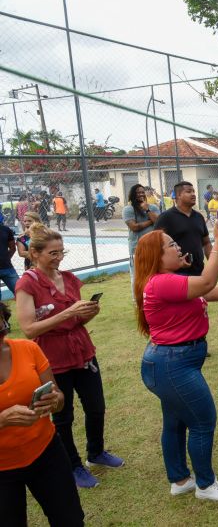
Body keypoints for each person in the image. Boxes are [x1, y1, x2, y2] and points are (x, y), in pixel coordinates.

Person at [134, 226, 218, 501]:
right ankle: (205, 484)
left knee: (175, 422)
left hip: (170, 363)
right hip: (172, 364)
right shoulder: (160, 282)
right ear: (156, 255)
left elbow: (206, 293)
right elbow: (206, 283)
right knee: (203, 420)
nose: (178, 247)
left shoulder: (167, 279)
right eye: (171, 245)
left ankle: (180, 480)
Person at [15, 224, 123, 489]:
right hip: (52, 356)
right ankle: (72, 465)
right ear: (35, 254)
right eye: (53, 253)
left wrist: (88, 312)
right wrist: (67, 313)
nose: (59, 258)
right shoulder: (27, 284)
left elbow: (78, 316)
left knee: (96, 406)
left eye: (62, 252)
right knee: (63, 414)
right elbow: (29, 329)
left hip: (82, 350)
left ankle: (95, 453)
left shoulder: (69, 278)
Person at [0, 301, 85, 526]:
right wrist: (2, 420)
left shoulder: (28, 349)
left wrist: (53, 401)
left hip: (46, 452)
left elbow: (58, 398)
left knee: (71, 520)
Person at [155, 182, 210, 276]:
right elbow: (156, 246)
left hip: (199, 271)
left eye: (193, 191)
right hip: (177, 273)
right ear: (178, 195)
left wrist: (212, 263)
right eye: (189, 191)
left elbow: (206, 242)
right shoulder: (166, 217)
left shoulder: (199, 217)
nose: (193, 194)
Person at [123, 184, 160, 296]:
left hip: (154, 247)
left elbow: (159, 222)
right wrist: (150, 221)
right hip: (137, 249)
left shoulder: (153, 208)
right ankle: (138, 302)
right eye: (138, 192)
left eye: (142, 192)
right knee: (137, 277)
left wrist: (147, 210)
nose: (141, 194)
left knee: (156, 275)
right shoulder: (128, 209)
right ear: (132, 195)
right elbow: (134, 227)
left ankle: (155, 298)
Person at [0, 216, 18, 295]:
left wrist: (6, 259)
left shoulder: (6, 229)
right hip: (7, 267)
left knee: (22, 291)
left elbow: (13, 248)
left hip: (7, 268)